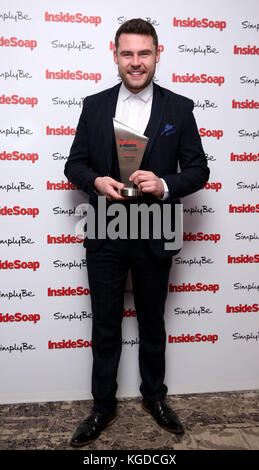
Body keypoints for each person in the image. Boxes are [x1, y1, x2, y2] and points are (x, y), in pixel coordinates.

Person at [64, 18, 209, 447]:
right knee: (106, 324)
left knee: (151, 322)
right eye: (127, 53)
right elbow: (74, 164)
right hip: (107, 227)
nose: (136, 62)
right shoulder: (93, 105)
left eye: (144, 53)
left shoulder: (179, 108)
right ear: (115, 55)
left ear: (157, 54)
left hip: (156, 226)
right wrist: (96, 182)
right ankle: (102, 407)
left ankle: (155, 398)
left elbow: (199, 169)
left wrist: (164, 183)